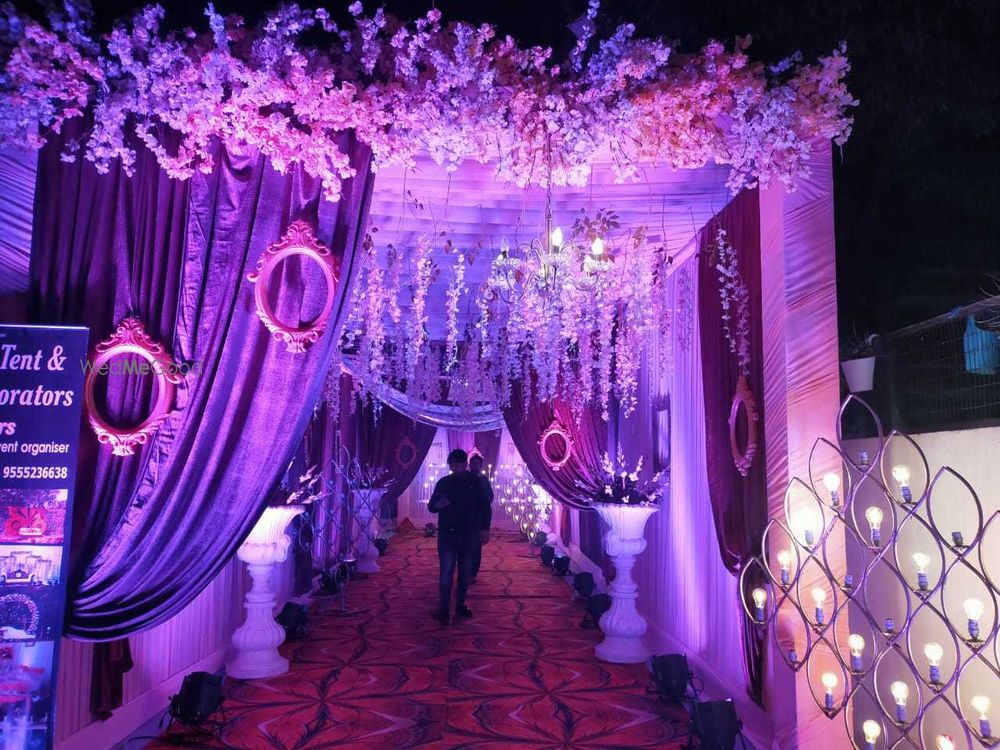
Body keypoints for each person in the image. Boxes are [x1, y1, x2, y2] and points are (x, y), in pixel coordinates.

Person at [427, 449, 488, 624]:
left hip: (470, 534)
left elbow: (485, 506)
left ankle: (460, 605)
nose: (455, 468)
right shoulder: (444, 482)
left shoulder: (476, 482)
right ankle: (444, 610)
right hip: (448, 534)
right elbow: (431, 506)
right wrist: (438, 505)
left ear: (465, 464)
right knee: (446, 572)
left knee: (465, 572)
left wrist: (485, 529)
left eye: (458, 465)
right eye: (452, 466)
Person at [467, 454, 493, 581]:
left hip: (478, 519)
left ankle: (472, 574)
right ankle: (466, 572)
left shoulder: (483, 480)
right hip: (465, 519)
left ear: (481, 465)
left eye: (477, 464)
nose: (475, 466)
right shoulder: (464, 478)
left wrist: (485, 527)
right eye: (473, 463)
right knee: (465, 548)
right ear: (469, 464)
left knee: (476, 548)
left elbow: (489, 498)